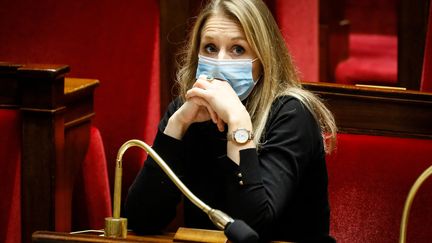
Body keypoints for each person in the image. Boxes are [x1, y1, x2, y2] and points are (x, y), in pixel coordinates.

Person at [125, 0, 337, 242]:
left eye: (238, 49)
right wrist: (176, 126)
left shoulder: (292, 114)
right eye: (210, 48)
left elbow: (254, 228)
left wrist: (238, 124)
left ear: (263, 58)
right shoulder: (189, 112)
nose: (220, 62)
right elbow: (142, 220)